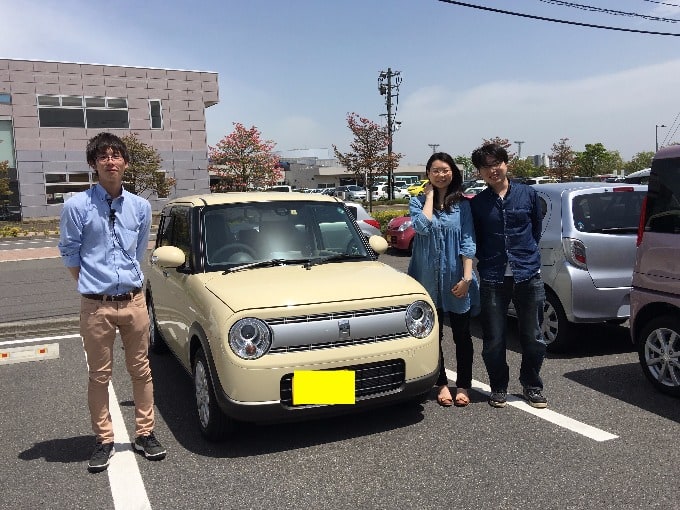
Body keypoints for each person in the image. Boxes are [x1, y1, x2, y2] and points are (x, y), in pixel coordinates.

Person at [59, 132, 166, 473]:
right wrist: (95, 288)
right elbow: (70, 253)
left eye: (116, 155)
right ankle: (104, 439)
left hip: (134, 302)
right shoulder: (76, 206)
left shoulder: (140, 207)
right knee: (99, 375)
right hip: (96, 305)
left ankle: (145, 433)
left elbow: (138, 252)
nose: (110, 161)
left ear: (125, 163)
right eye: (103, 156)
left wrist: (123, 287)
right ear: (93, 164)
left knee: (141, 371)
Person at [469, 143, 548, 409]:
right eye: (486, 167)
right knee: (494, 339)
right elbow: (476, 238)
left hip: (528, 273)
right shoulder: (478, 203)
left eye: (496, 163)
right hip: (493, 275)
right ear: (479, 172)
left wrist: (524, 255)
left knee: (534, 335)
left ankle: (532, 384)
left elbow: (535, 230)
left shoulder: (528, 194)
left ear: (506, 163)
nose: (493, 170)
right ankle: (499, 387)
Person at [407, 152, 479, 408]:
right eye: (435, 170)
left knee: (462, 335)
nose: (441, 174)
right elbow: (422, 227)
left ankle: (464, 385)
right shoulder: (416, 202)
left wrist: (467, 278)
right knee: (432, 336)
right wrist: (428, 197)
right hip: (426, 280)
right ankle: (441, 384)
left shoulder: (463, 205)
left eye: (445, 170)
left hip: (456, 279)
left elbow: (468, 241)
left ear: (453, 173)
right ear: (428, 174)